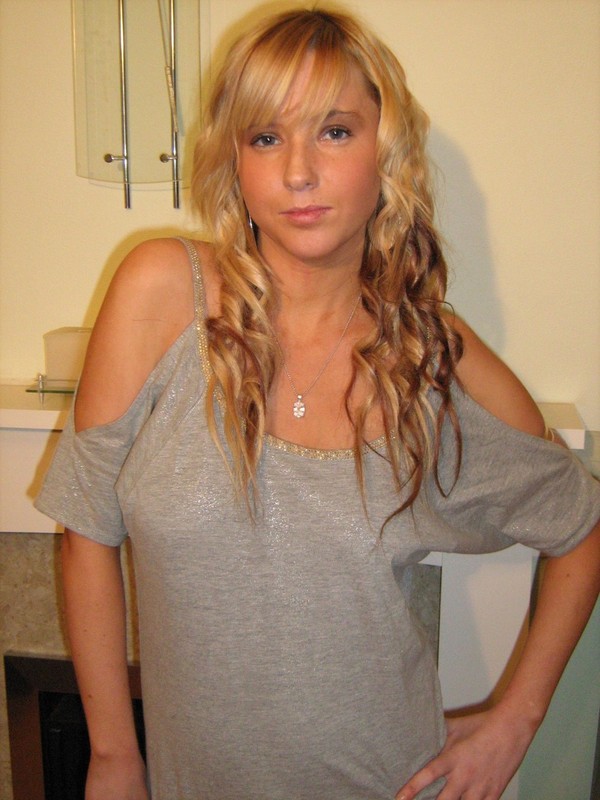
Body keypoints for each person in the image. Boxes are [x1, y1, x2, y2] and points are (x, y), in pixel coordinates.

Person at [36, 7, 600, 800]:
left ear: (386, 152)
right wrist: (114, 759)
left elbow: (579, 524)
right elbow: (86, 531)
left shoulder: (430, 358)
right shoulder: (161, 294)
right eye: (267, 137)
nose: (298, 171)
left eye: (335, 131)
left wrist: (517, 718)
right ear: (237, 161)